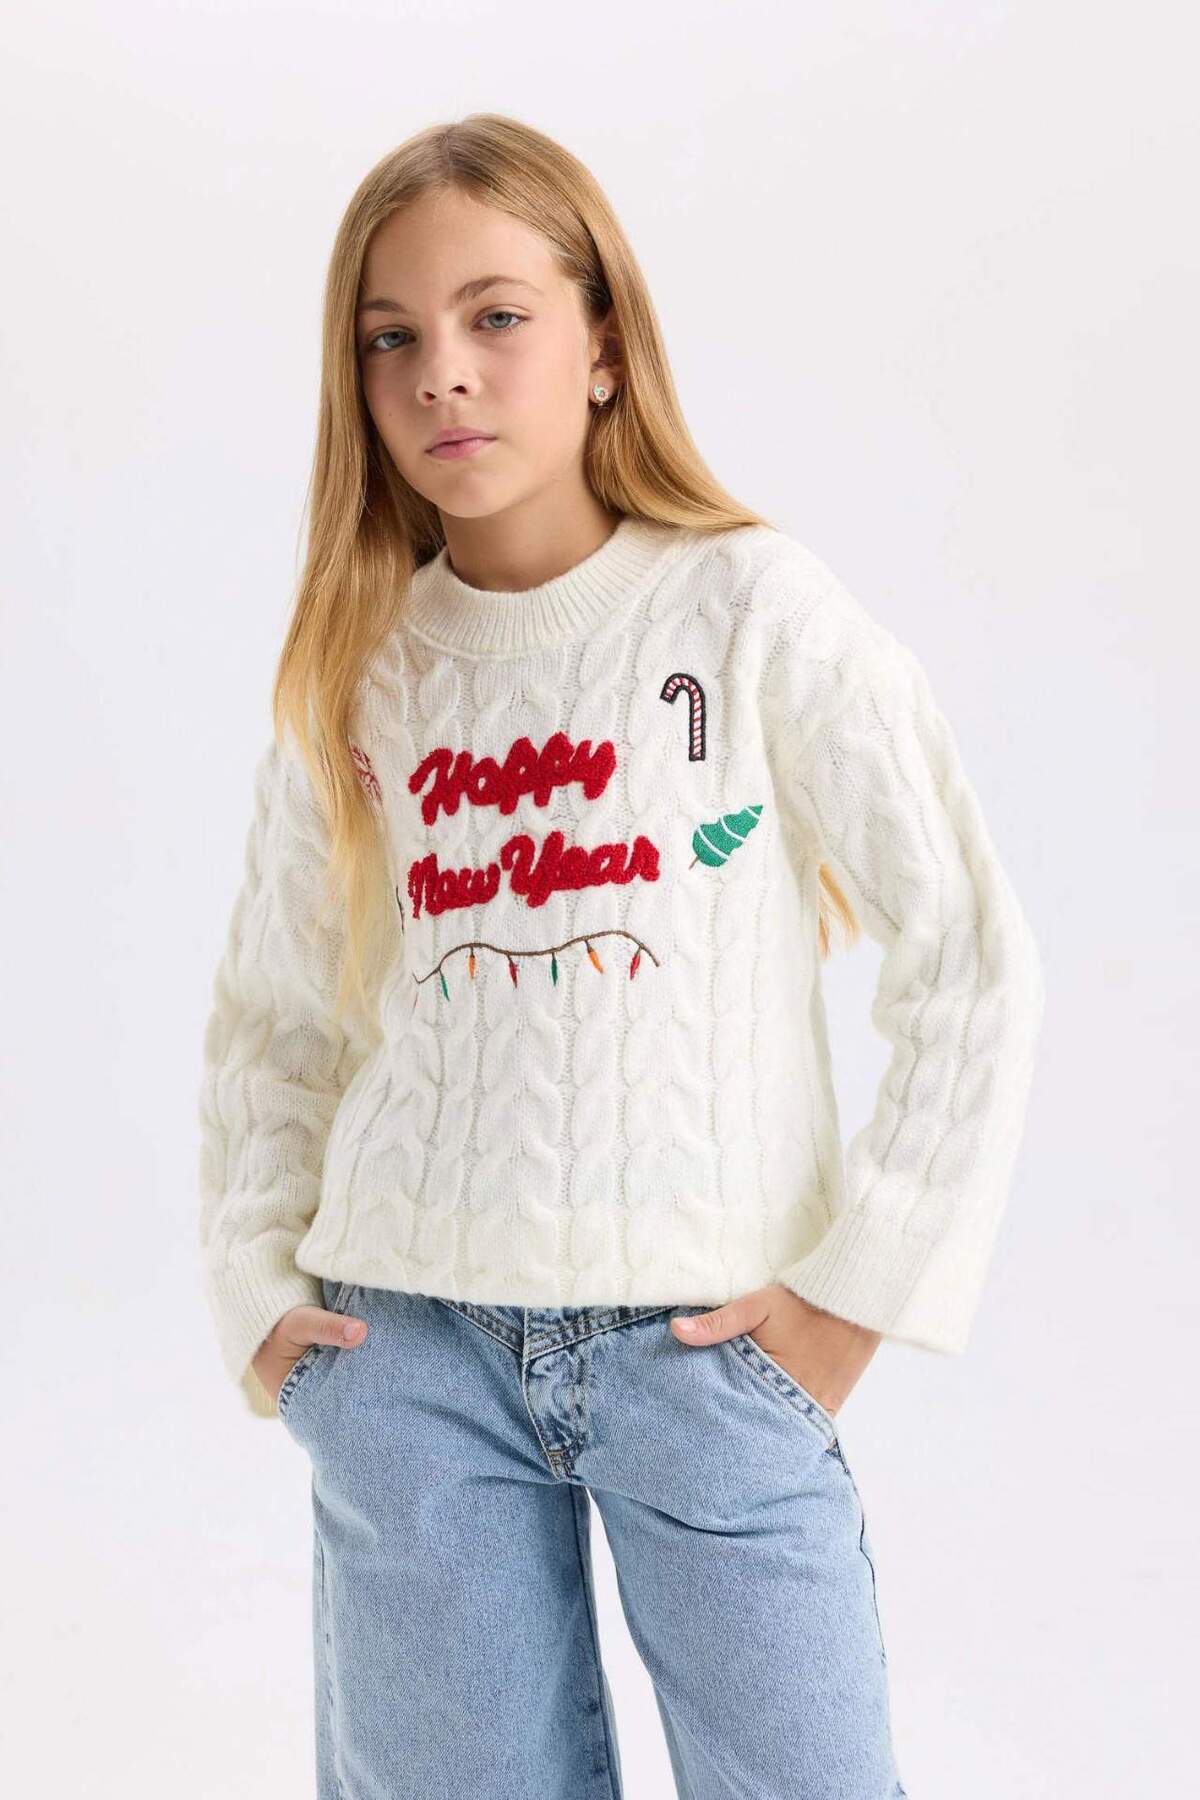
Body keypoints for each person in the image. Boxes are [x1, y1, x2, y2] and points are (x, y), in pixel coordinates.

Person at [197, 112, 1045, 1800]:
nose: (443, 372)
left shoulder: (754, 614)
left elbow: (968, 954)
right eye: (391, 338)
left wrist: (856, 1296)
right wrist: (258, 1292)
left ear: (603, 347)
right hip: (404, 1359)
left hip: (711, 1355)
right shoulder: (363, 670)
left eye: (496, 316)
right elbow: (279, 1019)